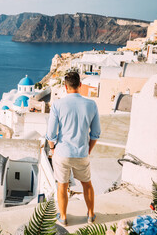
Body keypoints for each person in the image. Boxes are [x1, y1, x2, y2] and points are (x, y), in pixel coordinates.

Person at [46, 71, 101, 226]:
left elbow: (51, 134)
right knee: (87, 184)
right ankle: (90, 215)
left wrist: (52, 149)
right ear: (80, 85)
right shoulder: (91, 105)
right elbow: (95, 134)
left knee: (62, 186)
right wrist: (88, 150)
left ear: (65, 86)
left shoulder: (57, 104)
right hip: (82, 152)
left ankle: (63, 217)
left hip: (62, 153)